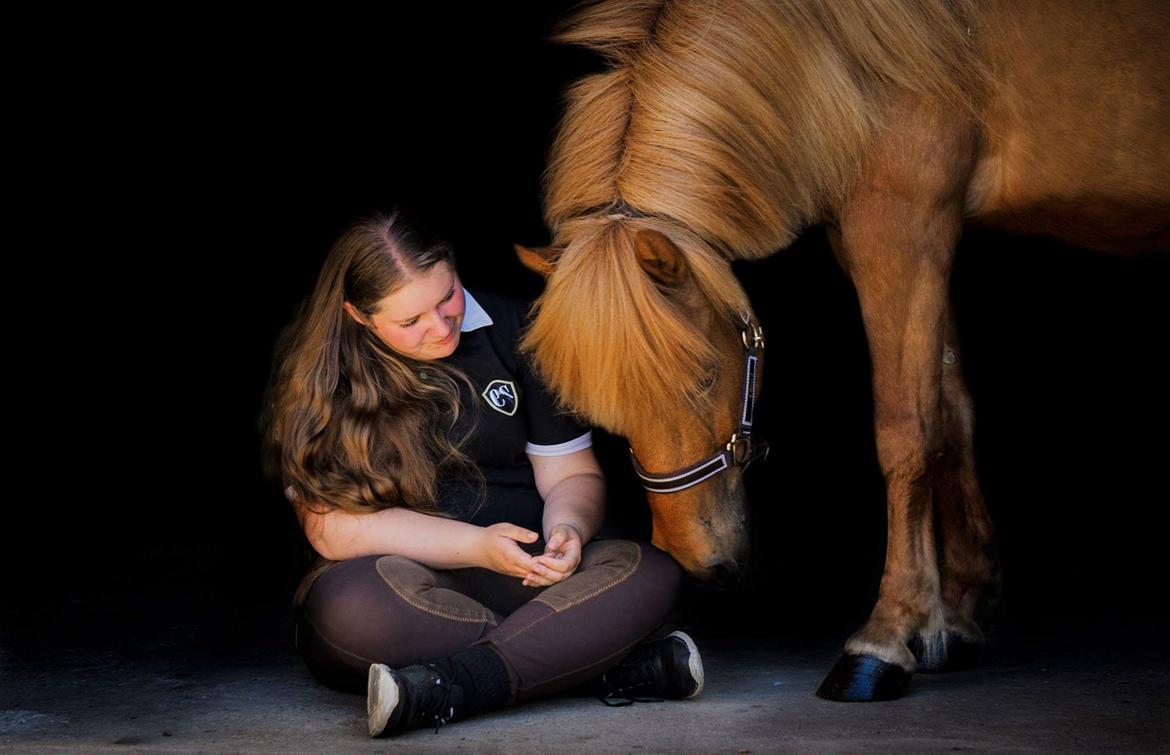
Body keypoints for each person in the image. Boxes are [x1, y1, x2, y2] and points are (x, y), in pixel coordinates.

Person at [259, 210, 703, 737]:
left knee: (652, 571)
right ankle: (595, 663)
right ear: (359, 316)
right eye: (410, 322)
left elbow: (571, 476)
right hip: (402, 584)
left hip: (530, 574)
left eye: (447, 297)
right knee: (348, 611)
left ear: (454, 266)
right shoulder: (320, 370)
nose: (441, 325)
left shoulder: (520, 329)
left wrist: (571, 530)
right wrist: (477, 546)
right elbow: (330, 528)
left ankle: (447, 685)